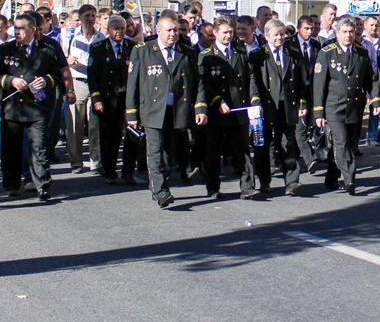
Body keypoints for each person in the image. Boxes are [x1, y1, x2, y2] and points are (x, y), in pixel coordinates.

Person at [126, 13, 204, 208]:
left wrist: (199, 107)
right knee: (154, 150)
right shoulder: (142, 51)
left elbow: (197, 83)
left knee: (169, 155)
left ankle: (160, 181)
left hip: (177, 109)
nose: (173, 34)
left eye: (176, 30)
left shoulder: (187, 52)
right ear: (158, 31)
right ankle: (160, 191)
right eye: (169, 30)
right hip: (152, 109)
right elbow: (133, 83)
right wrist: (131, 113)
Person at [0, 11, 71, 201]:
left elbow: (59, 74)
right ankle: (11, 184)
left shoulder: (47, 49)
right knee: (10, 148)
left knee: (39, 147)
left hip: (38, 107)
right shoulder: (6, 49)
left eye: (21, 28)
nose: (17, 32)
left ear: (33, 30)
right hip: (14, 106)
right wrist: (10, 81)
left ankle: (42, 184)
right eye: (15, 28)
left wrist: (46, 80)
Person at [197, 16, 258, 200]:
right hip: (218, 111)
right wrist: (217, 101)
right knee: (213, 152)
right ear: (215, 33)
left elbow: (250, 77)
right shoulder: (207, 55)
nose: (229, 36)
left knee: (243, 150)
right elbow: (204, 84)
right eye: (225, 32)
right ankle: (213, 187)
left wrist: (254, 100)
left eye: (231, 32)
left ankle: (247, 186)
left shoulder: (240, 52)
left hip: (238, 109)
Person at [312, 15, 373, 194]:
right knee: (341, 142)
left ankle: (331, 177)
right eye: (344, 32)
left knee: (350, 144)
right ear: (337, 33)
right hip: (334, 107)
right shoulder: (327, 52)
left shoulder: (361, 52)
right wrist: (318, 112)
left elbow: (369, 78)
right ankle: (349, 179)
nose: (348, 35)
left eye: (351, 32)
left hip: (354, 106)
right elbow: (319, 84)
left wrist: (374, 97)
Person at [249, 19, 305, 196]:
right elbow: (253, 81)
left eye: (282, 34)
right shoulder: (258, 55)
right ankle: (264, 181)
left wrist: (302, 102)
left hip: (287, 105)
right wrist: (255, 102)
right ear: (266, 36)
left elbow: (302, 81)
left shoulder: (293, 53)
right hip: (265, 107)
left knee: (288, 143)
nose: (280, 38)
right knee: (262, 145)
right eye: (276, 35)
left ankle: (292, 181)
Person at [89, 15, 140, 185]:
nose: (119, 31)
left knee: (131, 135)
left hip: (128, 99)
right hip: (107, 99)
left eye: (122, 28)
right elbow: (93, 76)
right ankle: (109, 170)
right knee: (109, 136)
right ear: (109, 30)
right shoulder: (98, 48)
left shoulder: (133, 48)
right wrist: (96, 98)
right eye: (116, 28)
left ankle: (128, 171)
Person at [61, 4, 104, 174]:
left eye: (93, 15)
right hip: (77, 82)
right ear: (80, 17)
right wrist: (68, 61)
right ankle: (76, 162)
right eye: (87, 15)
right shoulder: (71, 36)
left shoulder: (100, 38)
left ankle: (96, 162)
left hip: (94, 83)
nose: (90, 19)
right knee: (75, 125)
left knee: (95, 124)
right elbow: (62, 59)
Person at [288, 15, 322, 174]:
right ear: (298, 28)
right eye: (306, 28)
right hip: (295, 91)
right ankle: (309, 159)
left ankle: (294, 159)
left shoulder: (316, 44)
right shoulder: (290, 45)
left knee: (309, 123)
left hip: (311, 90)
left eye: (312, 28)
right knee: (299, 126)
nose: (310, 31)